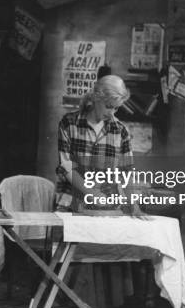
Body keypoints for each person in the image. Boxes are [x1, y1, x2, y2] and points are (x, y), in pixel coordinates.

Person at [55, 74, 142, 214]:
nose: (112, 113)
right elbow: (66, 166)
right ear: (96, 98)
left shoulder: (121, 131)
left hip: (106, 208)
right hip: (71, 204)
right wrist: (91, 193)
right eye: (108, 106)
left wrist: (133, 205)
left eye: (116, 108)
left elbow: (126, 172)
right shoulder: (69, 123)